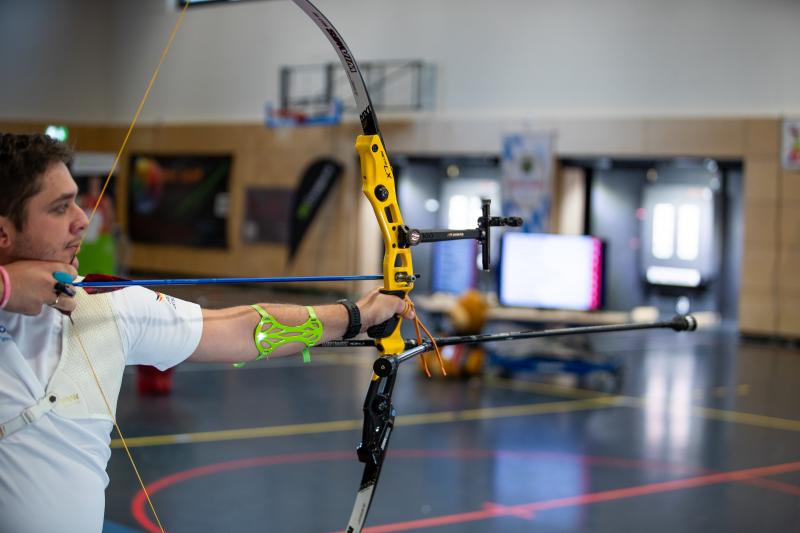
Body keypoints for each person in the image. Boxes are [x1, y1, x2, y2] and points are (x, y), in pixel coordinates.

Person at [0, 133, 412, 532]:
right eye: (60, 208)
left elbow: (241, 329)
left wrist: (356, 315)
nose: (82, 220)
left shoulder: (106, 305)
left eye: (76, 202)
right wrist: (5, 287)